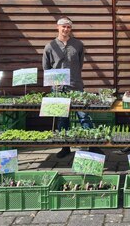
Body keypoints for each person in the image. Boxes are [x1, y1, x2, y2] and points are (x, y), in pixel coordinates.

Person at [42, 16, 93, 158]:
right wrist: (54, 82)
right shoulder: (50, 46)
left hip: (76, 85)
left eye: (68, 27)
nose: (66, 29)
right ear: (57, 27)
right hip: (58, 89)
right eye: (63, 26)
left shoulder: (78, 45)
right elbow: (46, 68)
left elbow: (80, 63)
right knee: (62, 118)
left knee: (84, 115)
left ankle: (92, 146)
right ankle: (65, 147)